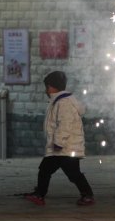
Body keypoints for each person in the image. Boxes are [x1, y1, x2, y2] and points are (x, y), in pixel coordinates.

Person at [23, 71, 95, 206]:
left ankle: (87, 195)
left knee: (68, 173)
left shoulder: (64, 103)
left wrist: (58, 142)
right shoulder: (60, 101)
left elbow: (65, 124)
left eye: (47, 87)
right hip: (62, 148)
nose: (46, 90)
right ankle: (40, 193)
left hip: (64, 148)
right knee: (49, 170)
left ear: (51, 87)